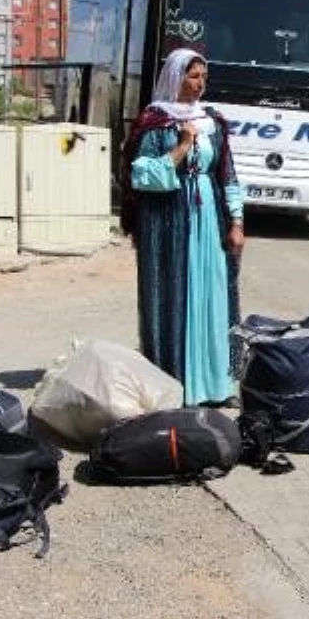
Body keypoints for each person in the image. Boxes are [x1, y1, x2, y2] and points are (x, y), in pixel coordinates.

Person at [120, 48, 246, 408]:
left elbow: (228, 174)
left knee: (216, 297)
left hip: (210, 220)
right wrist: (183, 146)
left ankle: (222, 385)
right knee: (173, 300)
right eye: (194, 77)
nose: (200, 84)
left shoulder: (213, 121)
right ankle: (176, 388)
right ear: (177, 77)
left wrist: (236, 221)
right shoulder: (155, 122)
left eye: (204, 77)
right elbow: (141, 176)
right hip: (169, 228)